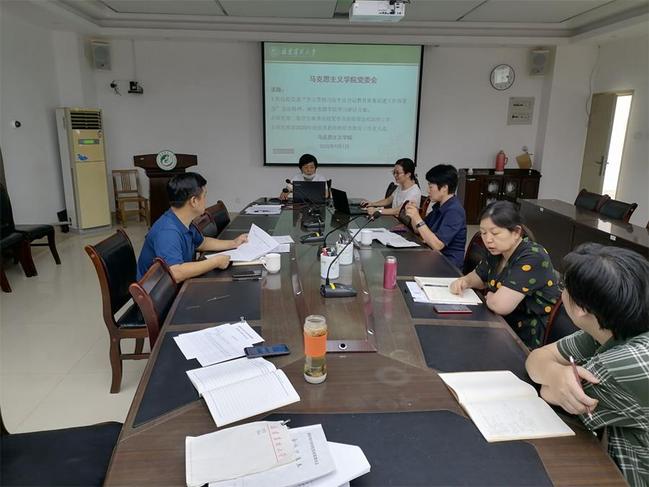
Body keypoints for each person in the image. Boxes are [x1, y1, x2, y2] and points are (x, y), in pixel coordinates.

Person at [525, 244, 649, 487]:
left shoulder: (622, 365)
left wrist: (553, 378)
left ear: (581, 309)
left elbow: (551, 393)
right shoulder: (614, 325)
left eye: (564, 286)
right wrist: (555, 372)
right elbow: (538, 357)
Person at [449, 201, 560, 348]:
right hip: (499, 324)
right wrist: (465, 281)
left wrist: (490, 297)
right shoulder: (497, 251)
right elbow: (479, 277)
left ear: (516, 232)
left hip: (526, 337)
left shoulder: (533, 256)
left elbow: (500, 305)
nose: (488, 239)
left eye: (495, 233)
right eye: (483, 233)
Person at [137, 172, 247, 282]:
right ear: (194, 201)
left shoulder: (182, 220)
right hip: (159, 290)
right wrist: (215, 262)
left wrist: (233, 243)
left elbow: (202, 243)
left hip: (174, 284)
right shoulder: (167, 232)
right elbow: (176, 273)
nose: (206, 200)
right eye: (204, 196)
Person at [404, 164, 466, 268]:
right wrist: (414, 214)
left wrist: (417, 218)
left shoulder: (454, 211)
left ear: (444, 188)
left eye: (430, 186)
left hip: (448, 265)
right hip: (434, 257)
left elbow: (437, 245)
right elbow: (418, 230)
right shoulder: (440, 206)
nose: (428, 190)